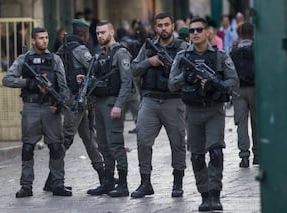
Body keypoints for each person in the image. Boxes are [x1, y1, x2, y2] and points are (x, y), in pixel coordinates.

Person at [169, 17, 239, 211]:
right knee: (197, 156)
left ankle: (215, 195)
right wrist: (186, 77)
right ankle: (204, 194)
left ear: (208, 32)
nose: (195, 34)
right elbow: (171, 84)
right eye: (192, 31)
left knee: (215, 152)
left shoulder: (220, 56)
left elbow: (234, 81)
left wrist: (217, 85)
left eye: (199, 30)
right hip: (192, 111)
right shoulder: (182, 56)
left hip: (214, 110)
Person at [2, 27, 71, 198]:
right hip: (31, 106)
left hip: (50, 107)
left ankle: (58, 183)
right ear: (33, 40)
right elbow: (7, 79)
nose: (45, 41)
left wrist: (60, 102)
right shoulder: (24, 60)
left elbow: (63, 87)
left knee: (56, 146)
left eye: (47, 37)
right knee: (27, 147)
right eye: (41, 38)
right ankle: (26, 186)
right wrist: (29, 83)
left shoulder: (54, 59)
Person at [130, 12, 188, 199]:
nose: (163, 28)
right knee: (143, 140)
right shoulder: (148, 47)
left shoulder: (183, 47)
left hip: (173, 100)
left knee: (178, 142)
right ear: (155, 28)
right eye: (160, 25)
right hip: (150, 100)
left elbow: (190, 72)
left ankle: (177, 183)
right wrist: (150, 61)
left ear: (172, 26)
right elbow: (134, 69)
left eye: (166, 25)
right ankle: (145, 182)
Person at [46, 19, 104, 190]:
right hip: (76, 100)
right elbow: (94, 66)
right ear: (85, 33)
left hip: (74, 100)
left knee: (88, 137)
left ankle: (103, 175)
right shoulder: (79, 48)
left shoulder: (62, 48)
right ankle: (53, 180)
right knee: (67, 138)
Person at [86, 21, 132, 197]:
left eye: (103, 32)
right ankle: (107, 181)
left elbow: (126, 82)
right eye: (97, 33)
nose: (100, 36)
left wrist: (119, 105)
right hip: (98, 103)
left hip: (112, 104)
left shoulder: (120, 53)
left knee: (115, 145)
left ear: (111, 32)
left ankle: (123, 184)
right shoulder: (99, 55)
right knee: (103, 145)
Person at [229, 22, 257, 167]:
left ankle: (244, 156)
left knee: (241, 123)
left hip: (238, 89)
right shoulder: (256, 48)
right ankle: (258, 154)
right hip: (255, 89)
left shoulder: (234, 50)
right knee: (256, 122)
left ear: (239, 33)